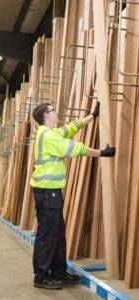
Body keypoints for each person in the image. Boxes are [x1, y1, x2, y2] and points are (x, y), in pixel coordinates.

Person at [31, 102, 115, 290]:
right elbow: (76, 148)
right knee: (47, 235)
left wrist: (91, 116)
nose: (56, 112)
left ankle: (58, 271)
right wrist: (102, 153)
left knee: (58, 234)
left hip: (51, 192)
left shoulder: (50, 133)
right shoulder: (48, 136)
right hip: (47, 193)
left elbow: (71, 128)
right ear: (45, 115)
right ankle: (41, 276)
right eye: (52, 110)